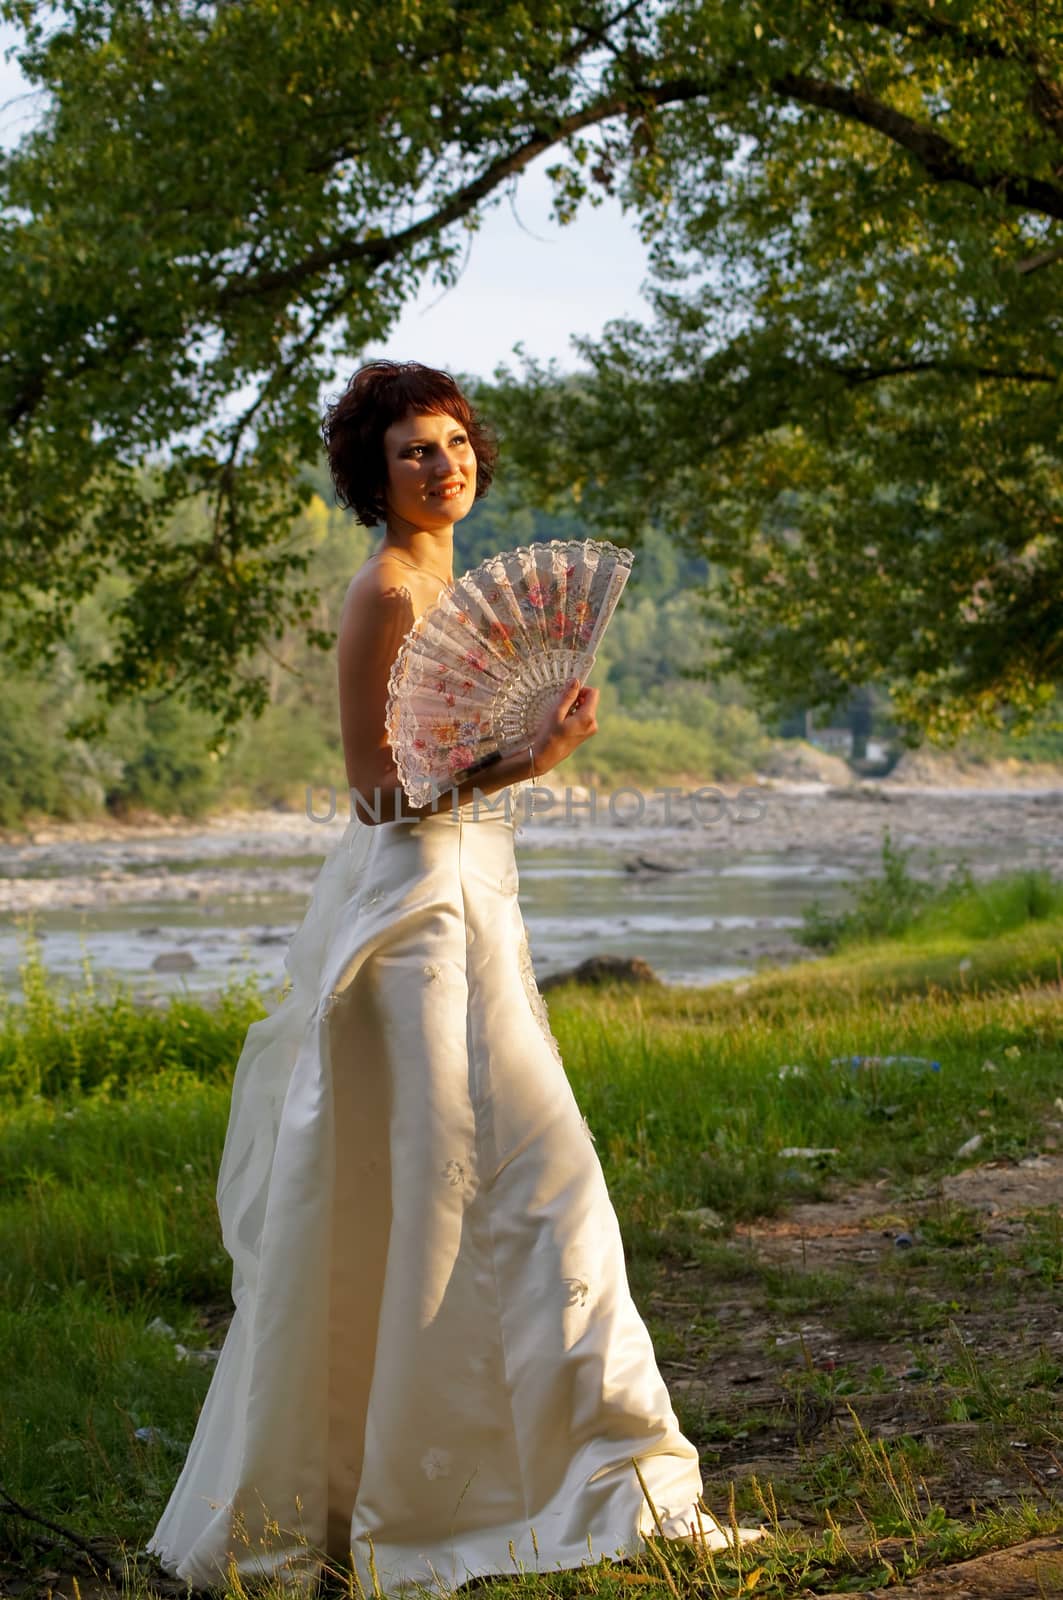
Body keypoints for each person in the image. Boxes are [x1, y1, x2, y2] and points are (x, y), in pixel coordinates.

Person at [145, 361, 765, 1596]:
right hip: (411, 928)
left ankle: (597, 1471)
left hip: (477, 909)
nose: (445, 466)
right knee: (427, 1204)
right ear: (373, 478)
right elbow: (375, 793)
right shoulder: (384, 591)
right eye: (415, 452)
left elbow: (449, 768)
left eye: (455, 444)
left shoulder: (448, 581)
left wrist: (516, 759)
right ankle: (382, 1500)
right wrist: (515, 759)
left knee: (539, 1189)